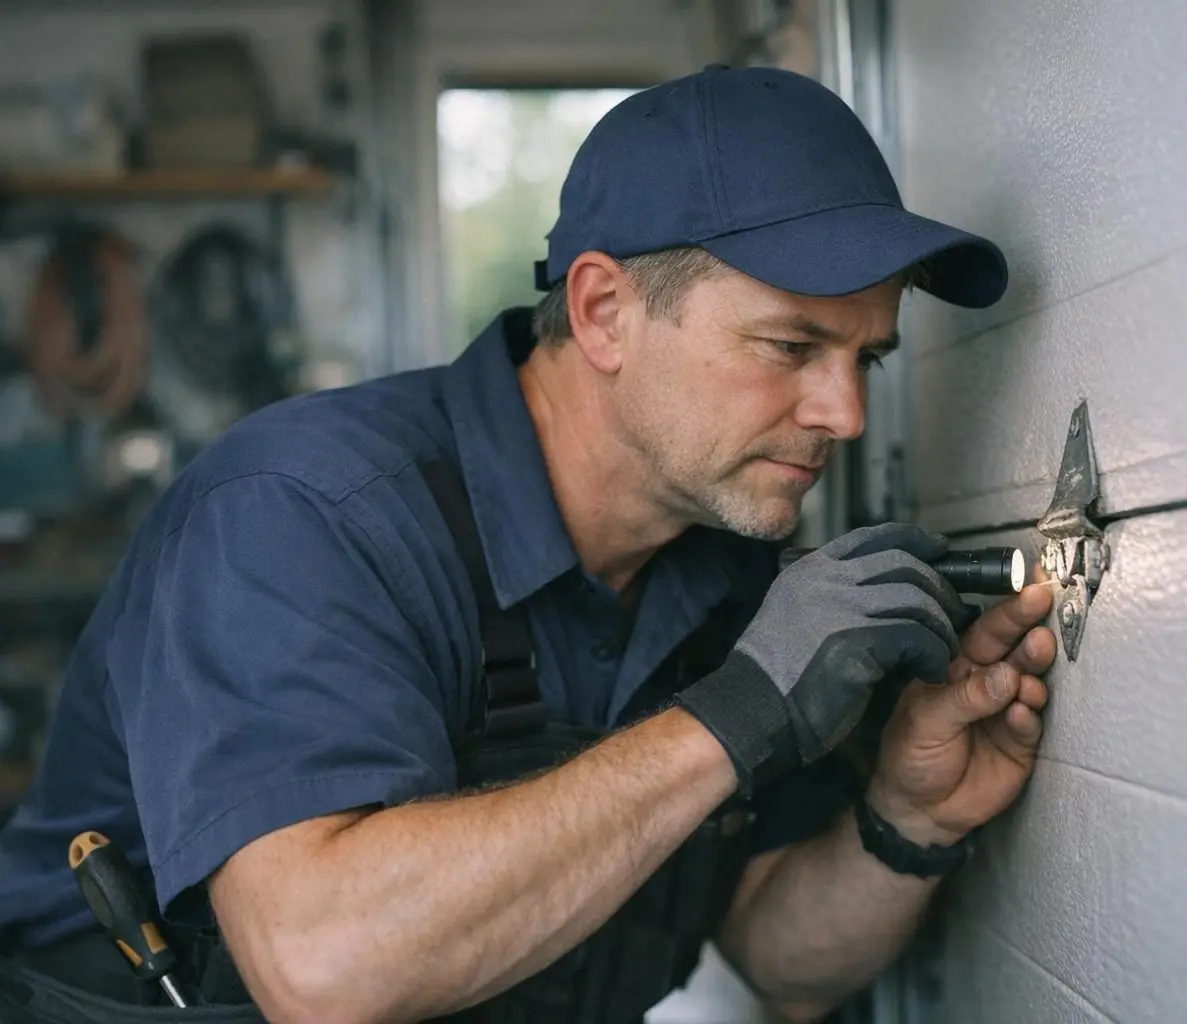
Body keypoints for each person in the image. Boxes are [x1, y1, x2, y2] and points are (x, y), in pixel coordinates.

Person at [0, 64, 1057, 1024]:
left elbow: (780, 954)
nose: (845, 415)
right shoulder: (301, 513)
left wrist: (908, 822)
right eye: (791, 346)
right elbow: (322, 968)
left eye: (865, 360)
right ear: (602, 310)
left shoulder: (727, 573)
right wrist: (735, 715)